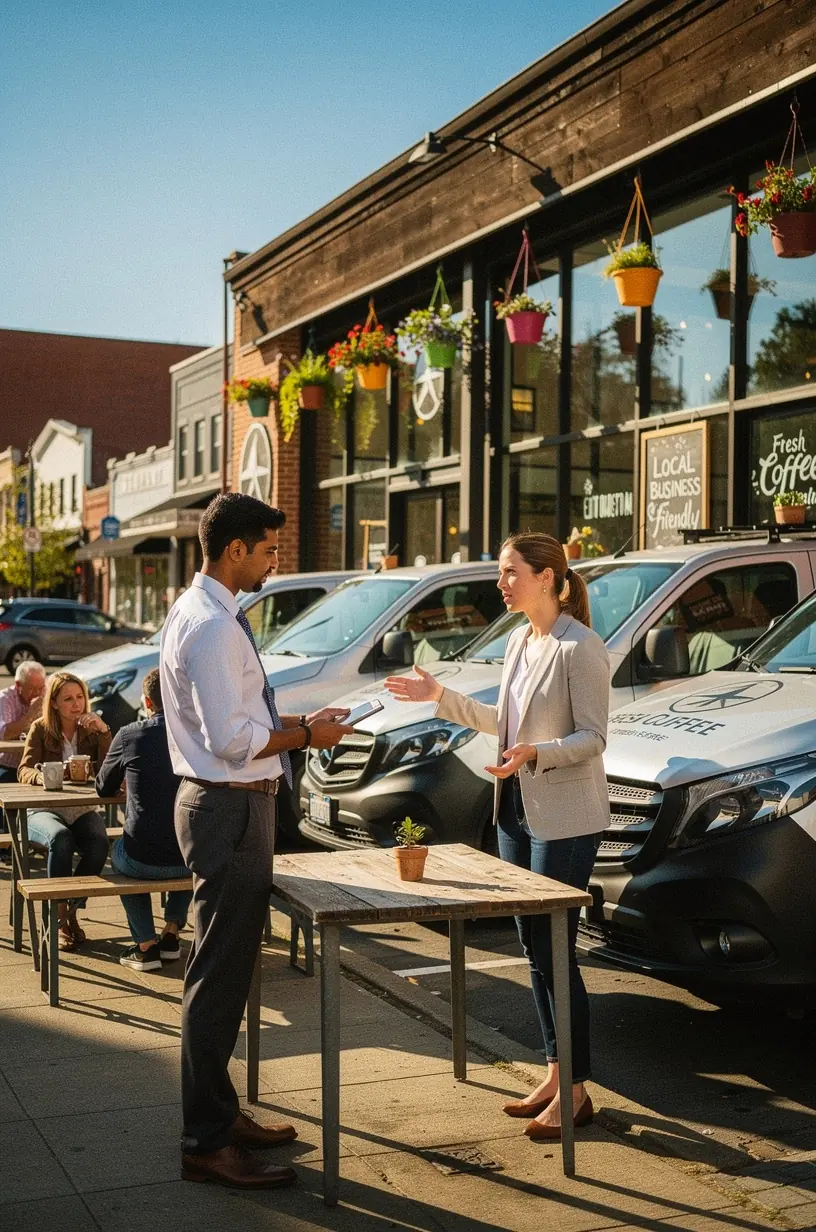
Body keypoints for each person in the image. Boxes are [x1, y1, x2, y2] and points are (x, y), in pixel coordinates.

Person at [385, 531, 610, 1142]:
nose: (501, 582)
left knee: (556, 949)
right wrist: (441, 698)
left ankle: (578, 1090)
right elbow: (501, 723)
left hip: (565, 818)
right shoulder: (519, 640)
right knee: (532, 946)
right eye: (502, 571)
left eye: (511, 571)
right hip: (513, 809)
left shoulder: (579, 647)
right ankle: (554, 1072)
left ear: (546, 577)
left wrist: (538, 752)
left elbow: (594, 739)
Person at [160, 491, 353, 1191]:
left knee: (230, 972)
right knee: (216, 979)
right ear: (233, 549)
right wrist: (308, 737)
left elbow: (238, 716)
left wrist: (302, 718)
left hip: (233, 805)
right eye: (269, 549)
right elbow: (231, 742)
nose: (276, 560)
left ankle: (219, 1115)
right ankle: (205, 1141)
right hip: (229, 807)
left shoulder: (209, 613)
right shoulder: (210, 626)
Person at [95, 667, 192, 972]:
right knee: (191, 844)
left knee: (118, 854)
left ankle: (146, 946)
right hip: (190, 860)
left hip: (142, 860)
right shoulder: (196, 735)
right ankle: (172, 932)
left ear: (148, 704)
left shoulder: (129, 734)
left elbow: (103, 788)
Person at [18, 672, 112, 952]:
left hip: (81, 807)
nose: (76, 704)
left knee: (99, 844)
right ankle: (58, 919)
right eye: (68, 699)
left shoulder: (92, 729)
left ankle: (70, 911)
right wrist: (43, 776)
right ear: (55, 703)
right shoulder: (40, 728)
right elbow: (23, 769)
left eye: (80, 697)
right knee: (60, 839)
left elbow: (111, 769)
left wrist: (105, 731)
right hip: (43, 810)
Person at [0, 660, 47, 782]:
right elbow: (5, 734)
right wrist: (30, 715)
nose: (37, 693)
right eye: (31, 689)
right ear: (18, 685)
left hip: (37, 766)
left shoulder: (46, 695)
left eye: (40, 688)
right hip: (8, 765)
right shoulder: (5, 699)